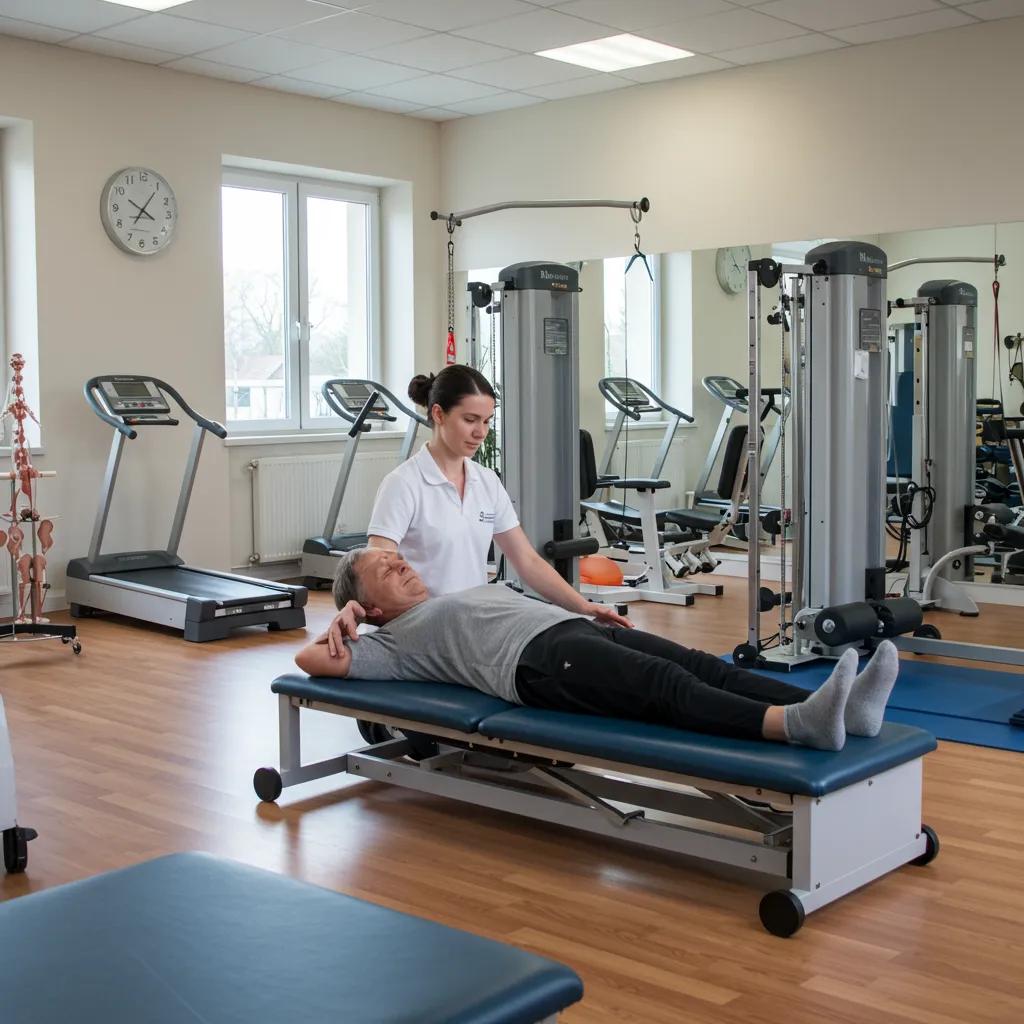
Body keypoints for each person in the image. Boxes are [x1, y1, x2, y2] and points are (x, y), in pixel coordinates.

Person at [295, 548, 901, 752]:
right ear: (369, 606)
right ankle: (794, 727)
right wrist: (346, 616)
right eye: (384, 570)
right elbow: (312, 661)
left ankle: (839, 709)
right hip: (538, 665)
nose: (400, 564)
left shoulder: (446, 597)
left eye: (397, 558)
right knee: (668, 689)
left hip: (573, 631)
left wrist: (585, 610)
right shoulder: (394, 642)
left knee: (699, 665)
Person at [365, 364, 630, 628]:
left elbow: (527, 561)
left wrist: (584, 607)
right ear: (438, 414)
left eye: (486, 421)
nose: (480, 432)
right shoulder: (402, 484)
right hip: (424, 626)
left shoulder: (487, 481)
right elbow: (375, 572)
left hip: (476, 622)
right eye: (470, 420)